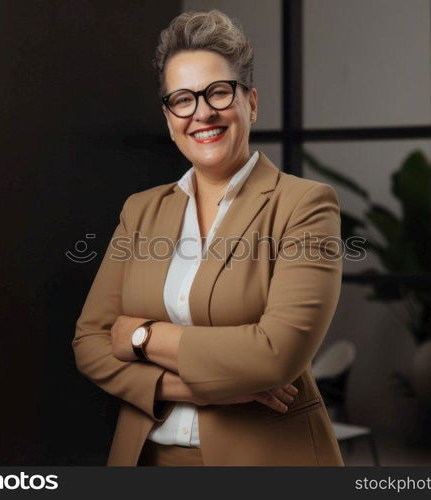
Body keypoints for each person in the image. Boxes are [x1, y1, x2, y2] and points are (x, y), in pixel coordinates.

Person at [72, 9, 344, 466]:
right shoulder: (141, 210)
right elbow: (91, 343)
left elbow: (275, 355)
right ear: (169, 116)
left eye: (218, 92)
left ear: (251, 103)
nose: (202, 113)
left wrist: (139, 335)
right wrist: (200, 386)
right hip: (144, 459)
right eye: (182, 99)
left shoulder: (306, 205)